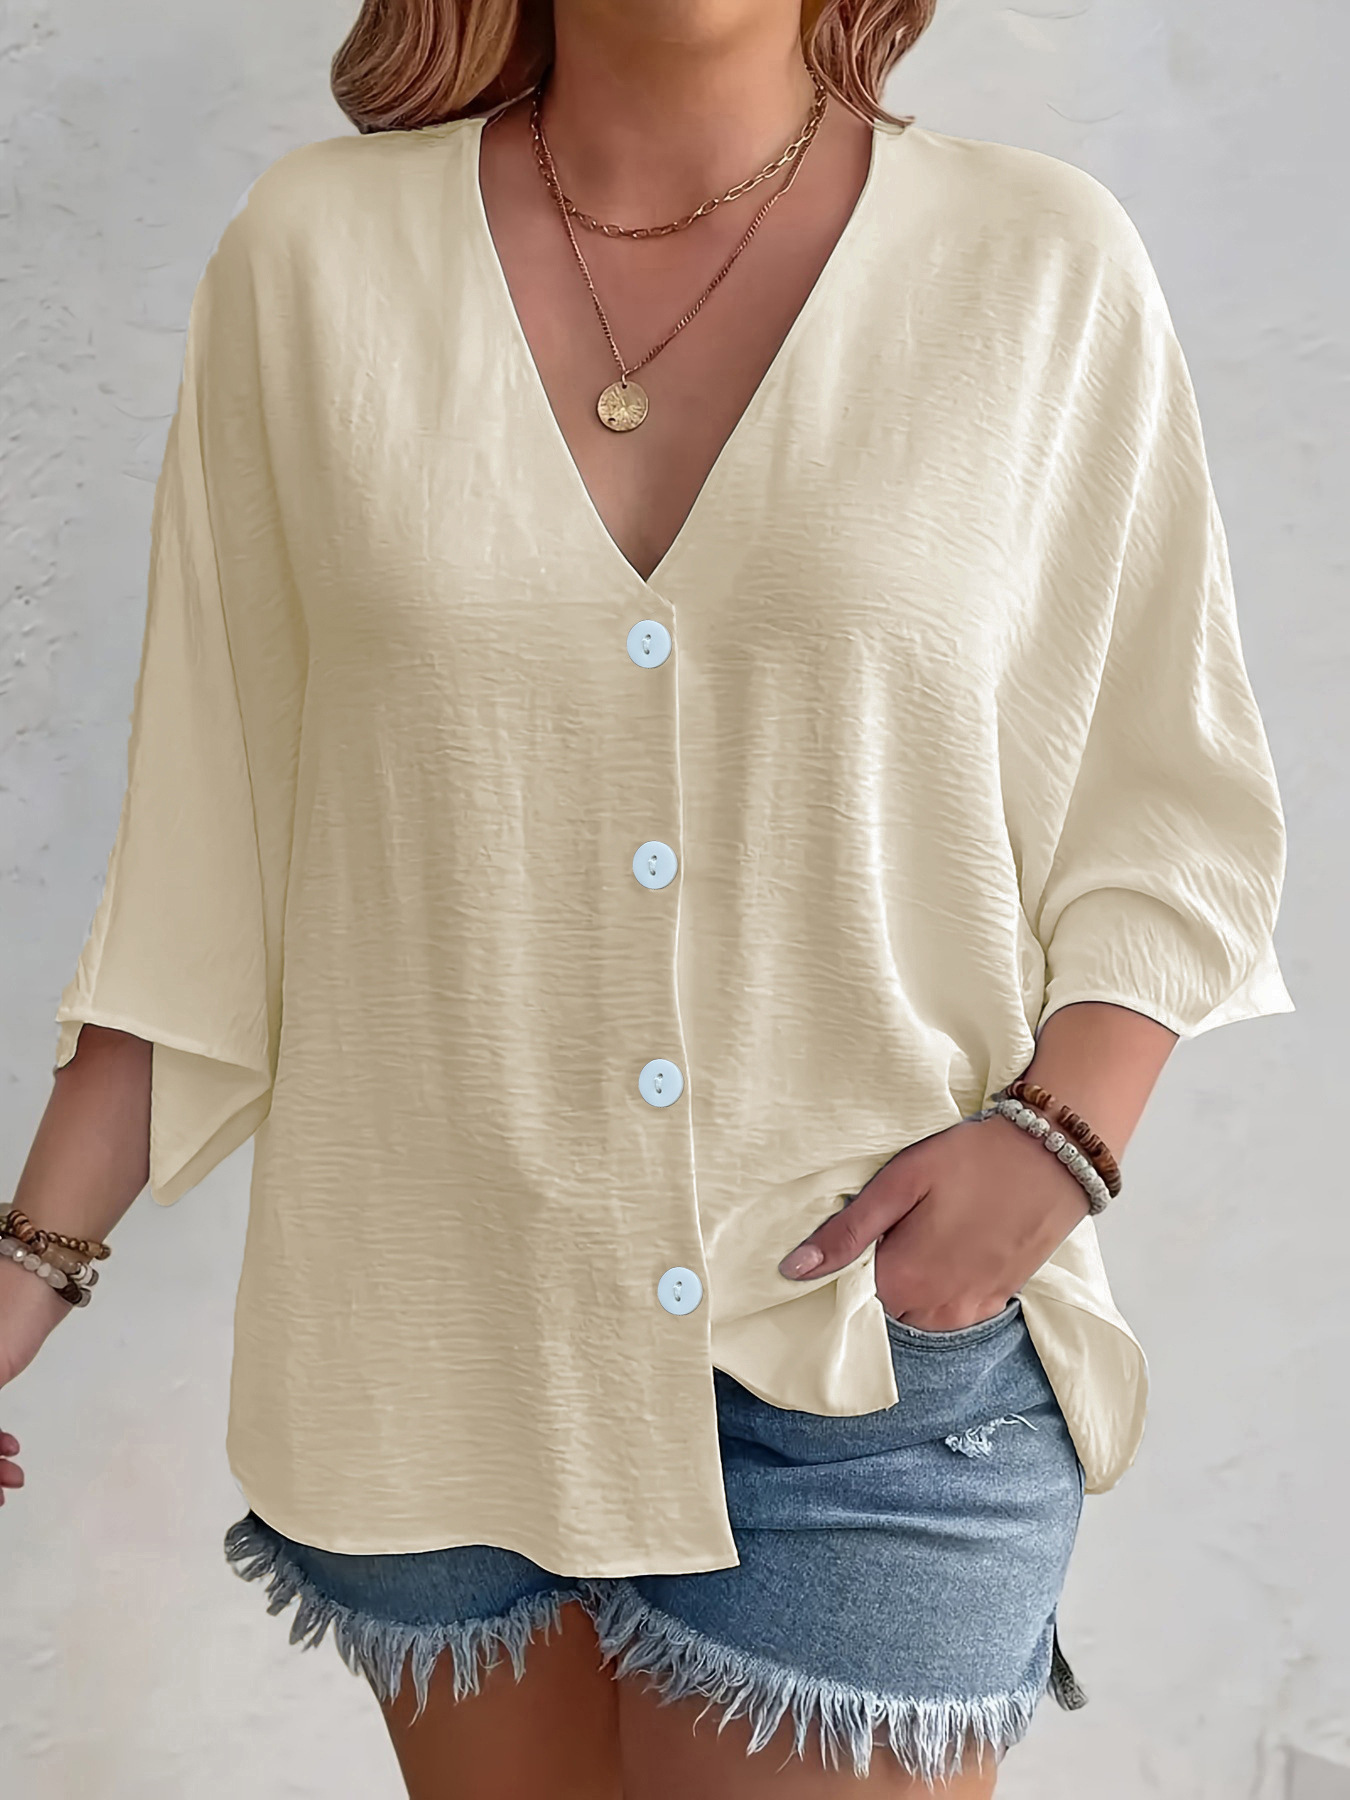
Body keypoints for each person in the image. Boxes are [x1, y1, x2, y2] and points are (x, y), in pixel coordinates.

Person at [1, 0, 1294, 1794]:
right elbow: (213, 843)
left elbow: (1169, 794)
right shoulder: (310, 257)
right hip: (434, 1338)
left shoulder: (1034, 260)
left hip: (863, 1352)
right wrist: (31, 1261)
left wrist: (1059, 1140)